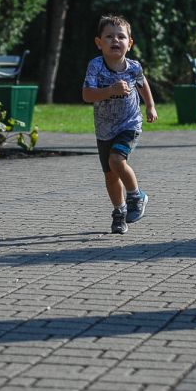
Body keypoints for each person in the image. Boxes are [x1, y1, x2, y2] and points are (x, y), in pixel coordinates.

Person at [82, 15, 158, 234]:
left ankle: (136, 196)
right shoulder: (95, 66)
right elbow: (87, 94)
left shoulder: (133, 67)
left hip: (129, 123)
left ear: (130, 43)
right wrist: (110, 91)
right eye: (109, 37)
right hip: (104, 128)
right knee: (110, 174)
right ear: (99, 43)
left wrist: (150, 106)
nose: (115, 40)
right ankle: (119, 211)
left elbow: (143, 84)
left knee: (117, 160)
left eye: (121, 36)